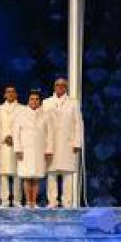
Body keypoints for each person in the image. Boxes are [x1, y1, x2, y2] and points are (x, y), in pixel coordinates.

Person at [43, 77, 85, 208]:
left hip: (68, 142)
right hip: (51, 142)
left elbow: (78, 124)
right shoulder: (46, 102)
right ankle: (52, 201)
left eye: (62, 85)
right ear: (54, 87)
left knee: (67, 173)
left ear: (66, 87)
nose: (60, 87)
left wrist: (77, 143)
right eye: (57, 85)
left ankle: (67, 202)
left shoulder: (73, 103)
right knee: (51, 173)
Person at [14, 90, 51, 208]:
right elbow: (16, 133)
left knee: (36, 177)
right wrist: (18, 149)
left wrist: (48, 150)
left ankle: (33, 202)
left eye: (36, 99)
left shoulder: (45, 115)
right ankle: (28, 201)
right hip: (25, 149)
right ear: (28, 101)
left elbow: (50, 134)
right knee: (26, 176)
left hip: (39, 149)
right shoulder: (21, 114)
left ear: (39, 101)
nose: (34, 101)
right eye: (32, 99)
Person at [0, 85, 23, 207]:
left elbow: (23, 127)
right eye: (8, 92)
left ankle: (17, 200)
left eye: (13, 92)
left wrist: (14, 138)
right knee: (3, 173)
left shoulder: (22, 108)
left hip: (17, 144)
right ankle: (4, 200)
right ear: (4, 95)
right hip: (3, 144)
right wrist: (4, 137)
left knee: (18, 173)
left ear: (16, 94)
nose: (10, 94)